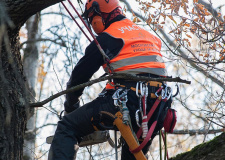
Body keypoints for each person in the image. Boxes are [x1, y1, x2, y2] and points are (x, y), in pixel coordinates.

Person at [48, 0, 171, 159]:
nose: (92, 25)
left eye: (92, 19)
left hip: (129, 100)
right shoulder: (149, 36)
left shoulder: (107, 38)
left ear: (98, 14)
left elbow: (79, 77)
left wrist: (71, 105)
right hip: (158, 105)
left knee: (67, 127)